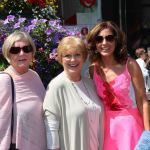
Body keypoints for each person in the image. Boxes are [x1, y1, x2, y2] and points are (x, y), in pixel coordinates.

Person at [87, 21, 150, 150]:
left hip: (130, 128)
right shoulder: (93, 69)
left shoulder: (130, 65)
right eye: (99, 39)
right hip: (105, 129)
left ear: (116, 41)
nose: (104, 43)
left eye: (109, 38)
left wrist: (148, 134)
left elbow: (143, 101)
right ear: (95, 43)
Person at [43, 36, 104, 150]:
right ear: (61, 59)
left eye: (77, 55)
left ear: (84, 57)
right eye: (67, 56)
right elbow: (51, 127)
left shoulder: (90, 84)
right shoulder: (56, 86)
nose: (73, 60)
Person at [1, 31, 47, 150]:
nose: (22, 53)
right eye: (15, 50)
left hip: (40, 144)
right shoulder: (4, 80)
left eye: (26, 49)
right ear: (8, 54)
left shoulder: (34, 76)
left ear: (32, 53)